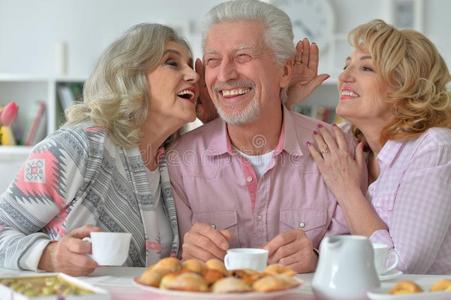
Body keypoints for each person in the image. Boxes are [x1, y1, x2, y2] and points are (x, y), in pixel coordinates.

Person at [0, 23, 200, 276]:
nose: (194, 76)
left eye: (191, 66)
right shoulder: (78, 146)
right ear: (130, 76)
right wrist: (48, 255)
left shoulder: (172, 163)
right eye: (172, 63)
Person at [168, 0, 352, 273]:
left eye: (243, 57)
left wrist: (318, 260)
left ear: (285, 71)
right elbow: (164, 265)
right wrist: (186, 259)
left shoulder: (335, 148)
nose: (226, 74)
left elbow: (363, 259)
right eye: (213, 60)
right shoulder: (181, 161)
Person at [304, 19, 451, 274]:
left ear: (406, 85)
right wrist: (286, 98)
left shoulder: (433, 147)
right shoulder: (346, 141)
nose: (344, 77)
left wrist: (348, 191)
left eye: (366, 68)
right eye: (346, 65)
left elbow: (401, 268)